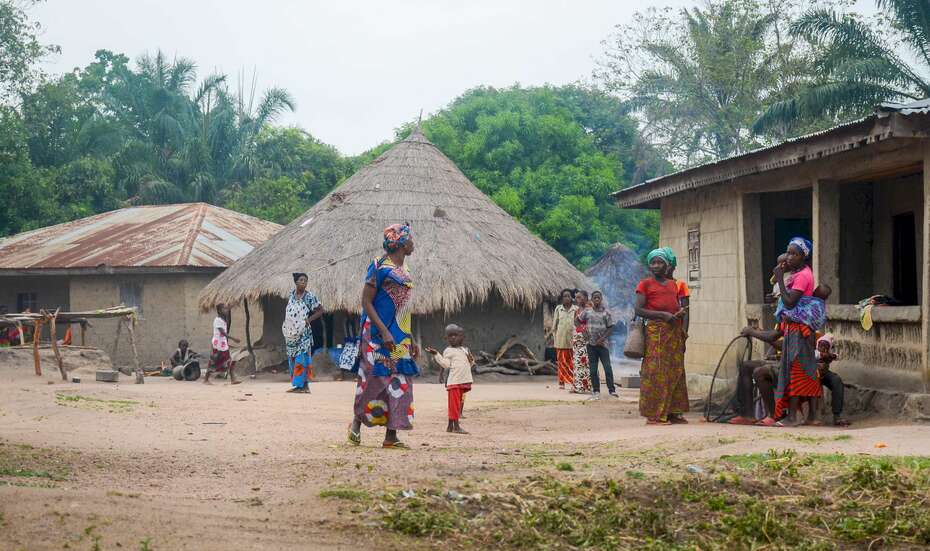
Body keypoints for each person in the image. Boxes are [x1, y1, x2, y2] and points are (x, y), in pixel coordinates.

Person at [348, 223, 418, 449]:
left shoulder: (406, 271)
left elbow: (404, 308)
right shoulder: (379, 266)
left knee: (400, 383)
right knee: (374, 380)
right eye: (410, 239)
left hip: (400, 336)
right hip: (377, 335)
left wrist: (410, 337)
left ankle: (391, 437)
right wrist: (385, 332)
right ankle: (356, 425)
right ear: (401, 242)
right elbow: (366, 302)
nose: (413, 243)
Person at [635, 248, 688, 425]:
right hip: (656, 333)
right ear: (649, 265)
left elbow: (675, 305)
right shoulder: (645, 284)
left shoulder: (673, 285)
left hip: (674, 332)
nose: (656, 265)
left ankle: (673, 412)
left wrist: (677, 315)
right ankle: (655, 415)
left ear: (666, 265)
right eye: (653, 262)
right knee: (656, 371)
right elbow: (639, 310)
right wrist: (662, 315)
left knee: (675, 370)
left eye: (660, 262)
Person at [426, 324, 474, 434]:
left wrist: (471, 360)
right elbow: (446, 364)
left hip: (463, 380)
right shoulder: (448, 350)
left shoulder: (464, 350)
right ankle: (456, 427)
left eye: (455, 335)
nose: (453, 338)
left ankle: (450, 426)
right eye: (450, 336)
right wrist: (436, 354)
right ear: (446, 338)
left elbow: (469, 364)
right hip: (455, 382)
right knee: (454, 405)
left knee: (456, 404)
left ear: (461, 337)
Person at [282, 272, 323, 393]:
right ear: (296, 282)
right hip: (291, 333)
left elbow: (320, 311)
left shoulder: (309, 296)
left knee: (302, 357)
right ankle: (298, 385)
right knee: (293, 358)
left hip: (303, 333)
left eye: (305, 280)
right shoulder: (291, 295)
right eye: (301, 280)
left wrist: (308, 320)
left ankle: (305, 386)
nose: (304, 282)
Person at [582, 290, 618, 400]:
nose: (596, 299)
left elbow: (611, 327)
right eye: (594, 298)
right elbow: (577, 321)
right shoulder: (587, 312)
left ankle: (612, 390)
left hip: (603, 346)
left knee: (607, 367)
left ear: (601, 299)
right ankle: (596, 390)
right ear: (591, 300)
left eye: (598, 298)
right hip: (591, 345)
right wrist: (583, 331)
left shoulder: (606, 313)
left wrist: (603, 338)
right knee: (593, 369)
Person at [816, 334, 850, 427]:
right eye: (820, 345)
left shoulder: (829, 354)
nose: (822, 348)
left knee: (836, 380)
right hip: (810, 374)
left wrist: (831, 356)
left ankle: (837, 415)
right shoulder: (816, 352)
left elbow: (835, 356)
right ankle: (813, 417)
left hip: (823, 374)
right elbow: (817, 354)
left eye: (825, 346)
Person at [204, 303, 240, 385]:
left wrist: (230, 307)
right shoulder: (217, 320)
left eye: (226, 309)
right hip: (218, 345)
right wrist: (233, 339)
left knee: (229, 360)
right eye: (224, 309)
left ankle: (233, 379)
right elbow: (223, 333)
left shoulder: (223, 320)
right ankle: (206, 379)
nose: (226, 310)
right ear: (219, 310)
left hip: (223, 344)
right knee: (214, 361)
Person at [552, 289, 577, 390]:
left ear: (571, 298)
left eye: (568, 296)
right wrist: (556, 339)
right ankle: (561, 382)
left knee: (572, 362)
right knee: (561, 362)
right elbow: (554, 327)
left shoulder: (576, 309)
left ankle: (572, 381)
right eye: (564, 296)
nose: (566, 298)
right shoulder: (558, 309)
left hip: (573, 341)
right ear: (562, 298)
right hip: (560, 341)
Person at [571, 290, 593, 394]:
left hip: (587, 339)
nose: (577, 299)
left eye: (579, 297)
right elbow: (575, 324)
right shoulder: (577, 310)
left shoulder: (590, 310)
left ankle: (588, 386)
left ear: (585, 298)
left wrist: (585, 332)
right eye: (576, 297)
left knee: (587, 363)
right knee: (577, 363)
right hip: (577, 339)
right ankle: (577, 386)